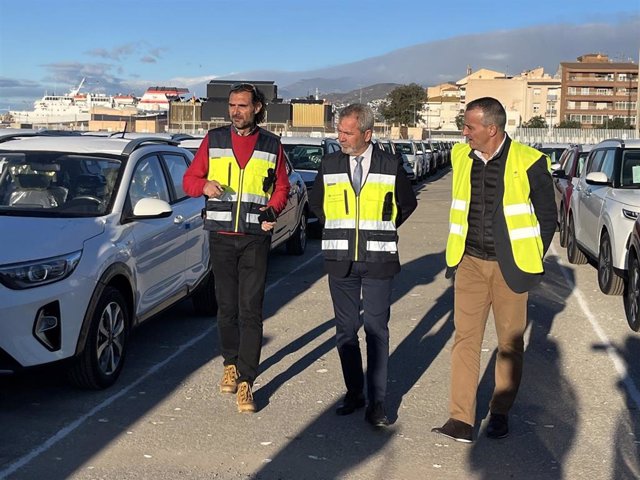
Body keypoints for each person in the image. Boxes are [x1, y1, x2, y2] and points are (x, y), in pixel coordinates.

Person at [432, 97, 557, 443]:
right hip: (469, 261)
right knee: (465, 341)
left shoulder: (529, 161)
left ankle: (500, 411)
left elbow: (549, 217)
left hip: (510, 268)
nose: (464, 132)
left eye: (470, 126)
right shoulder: (460, 157)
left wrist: (530, 255)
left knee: (509, 344)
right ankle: (460, 419)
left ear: (492, 129)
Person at [183, 83, 289, 414]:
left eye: (242, 105)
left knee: (251, 309)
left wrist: (272, 211)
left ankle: (247, 380)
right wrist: (204, 185)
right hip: (221, 237)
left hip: (256, 237)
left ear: (257, 108)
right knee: (226, 308)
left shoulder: (272, 144)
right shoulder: (213, 140)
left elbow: (282, 186)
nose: (235, 111)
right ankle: (230, 363)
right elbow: (189, 181)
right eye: (232, 105)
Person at [309, 103, 417, 427]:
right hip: (339, 259)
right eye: (338, 131)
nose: (340, 137)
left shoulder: (389, 163)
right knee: (345, 331)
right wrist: (339, 227)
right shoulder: (329, 165)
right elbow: (316, 203)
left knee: (376, 330)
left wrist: (381, 227)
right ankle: (354, 392)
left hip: (378, 260)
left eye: (347, 132)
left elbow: (407, 203)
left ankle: (378, 403)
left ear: (367, 134)